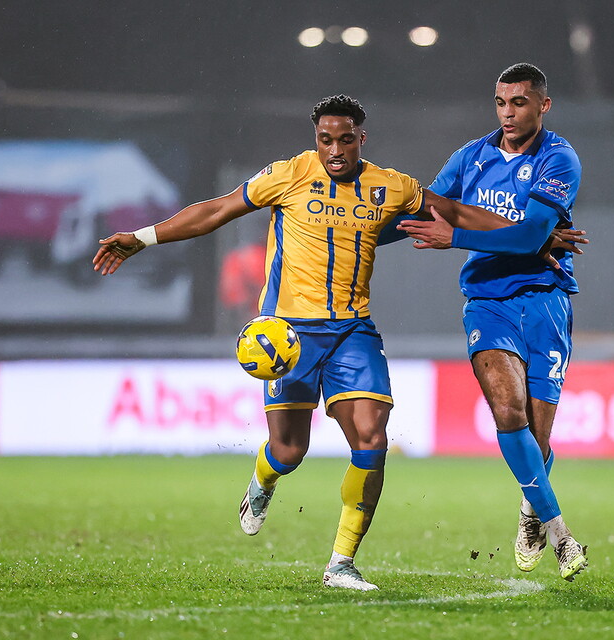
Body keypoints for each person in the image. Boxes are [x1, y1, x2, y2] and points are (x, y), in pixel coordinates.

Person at [93, 95, 575, 592]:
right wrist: (143, 237)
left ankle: (341, 563)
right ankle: (264, 480)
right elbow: (216, 210)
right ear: (316, 139)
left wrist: (535, 238)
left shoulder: (390, 186)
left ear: (361, 138)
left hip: (352, 332)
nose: (336, 149)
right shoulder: (289, 174)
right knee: (289, 449)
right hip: (289, 335)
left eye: (346, 139)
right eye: (326, 139)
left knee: (371, 440)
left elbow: (454, 210)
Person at [397, 63, 590, 581]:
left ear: (543, 105)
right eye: (501, 102)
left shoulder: (559, 158)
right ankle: (560, 533)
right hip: (487, 302)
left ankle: (529, 513)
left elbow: (529, 237)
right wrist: (355, 226)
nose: (508, 112)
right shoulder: (471, 157)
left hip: (545, 299)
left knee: (539, 442)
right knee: (508, 412)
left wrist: (455, 236)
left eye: (519, 102)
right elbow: (427, 207)